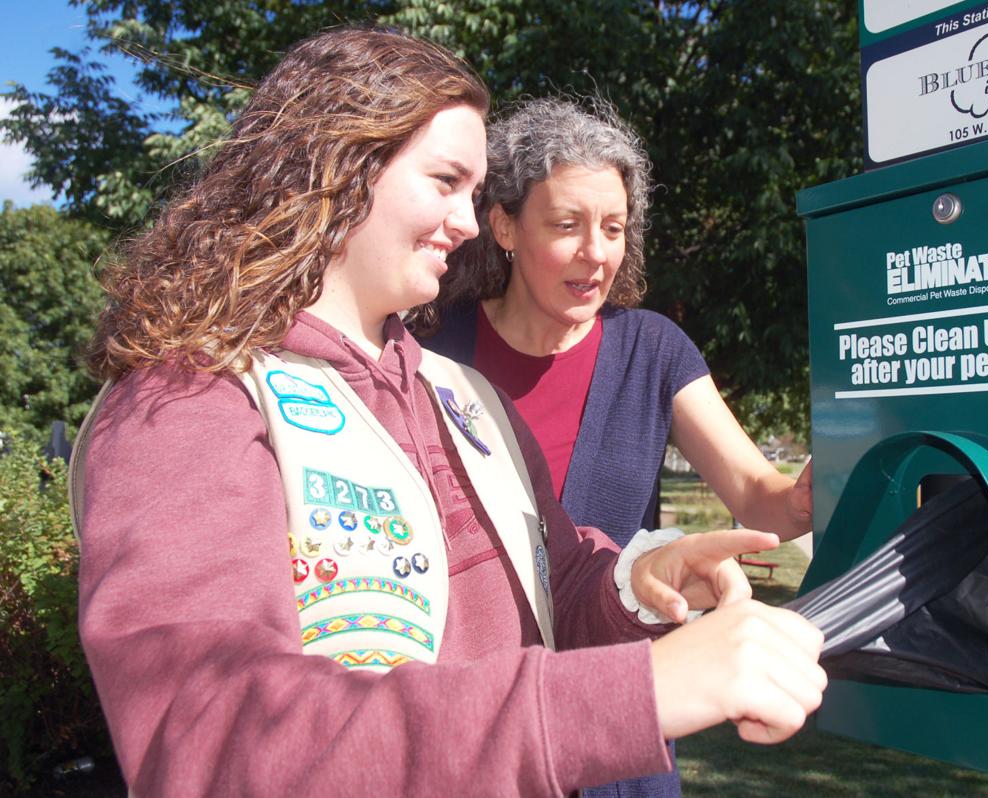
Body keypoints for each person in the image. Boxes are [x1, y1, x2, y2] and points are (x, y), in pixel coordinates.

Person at [69, 28, 826, 798]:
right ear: (336, 168)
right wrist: (643, 691)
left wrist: (637, 583)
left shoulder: (467, 399)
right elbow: (211, 737)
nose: (468, 223)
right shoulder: (191, 398)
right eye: (446, 181)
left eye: (474, 192)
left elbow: (556, 589)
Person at [417, 97, 816, 798]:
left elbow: (762, 497)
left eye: (613, 228)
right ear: (505, 224)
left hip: (619, 736)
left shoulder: (653, 349)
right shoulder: (426, 349)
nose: (596, 254)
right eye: (567, 225)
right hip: (472, 734)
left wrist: (814, 490)